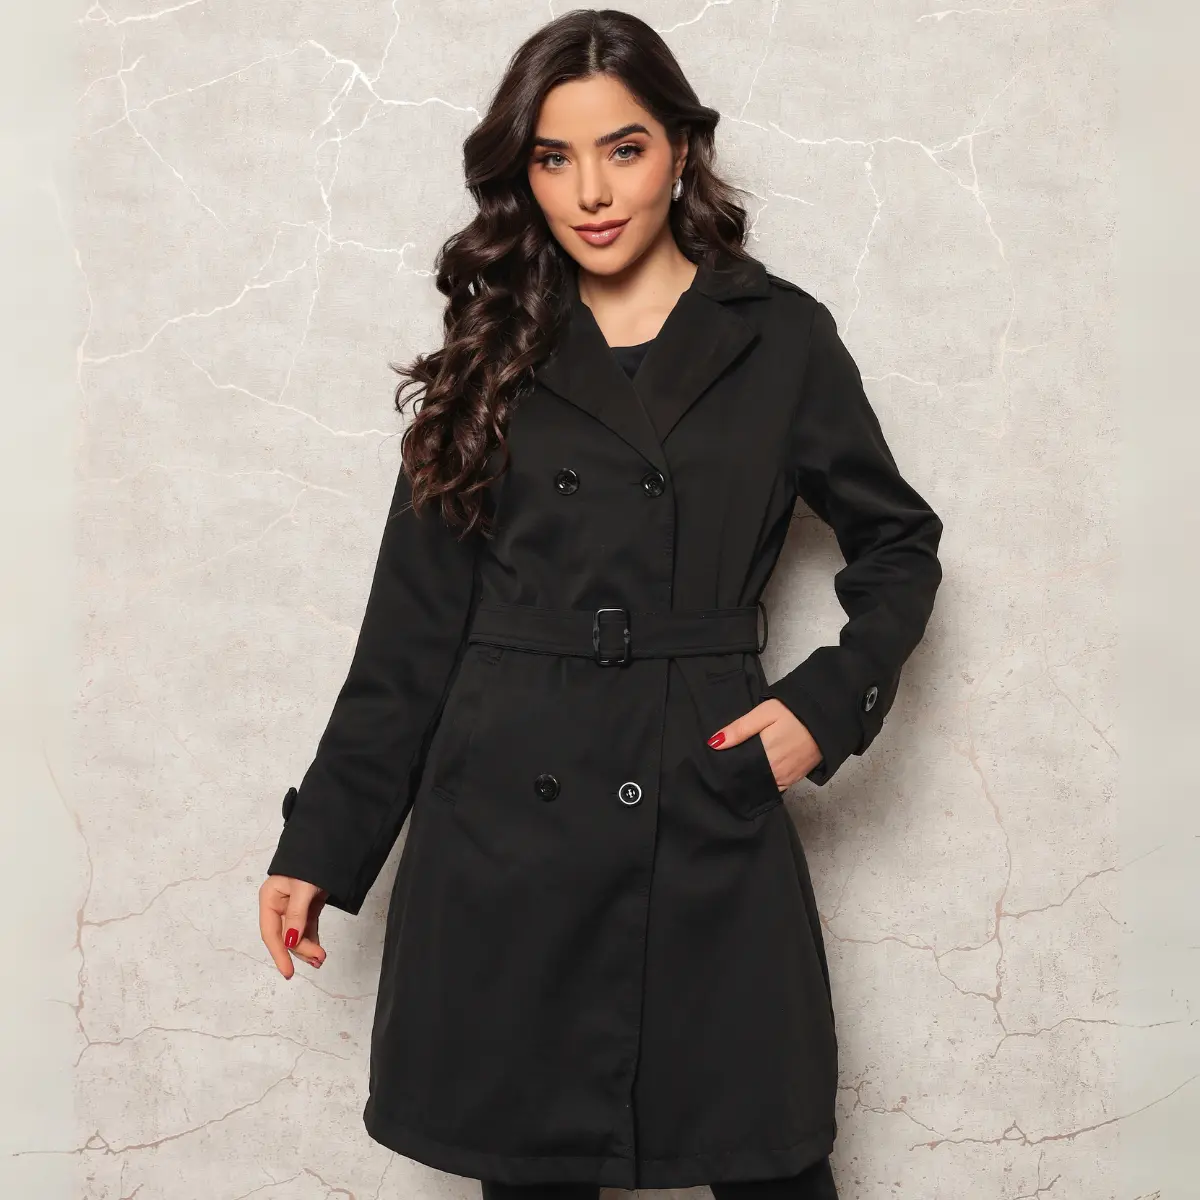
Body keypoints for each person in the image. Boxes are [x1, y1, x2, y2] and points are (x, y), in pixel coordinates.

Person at [258, 10, 943, 1200]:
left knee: (771, 1155)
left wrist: (825, 708)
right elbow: (410, 636)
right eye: (553, 157)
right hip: (506, 823)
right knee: (534, 1171)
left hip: (702, 784)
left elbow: (901, 544)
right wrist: (321, 843)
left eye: (622, 148)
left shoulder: (778, 337)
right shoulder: (493, 345)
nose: (590, 192)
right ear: (521, 174)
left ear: (679, 150)